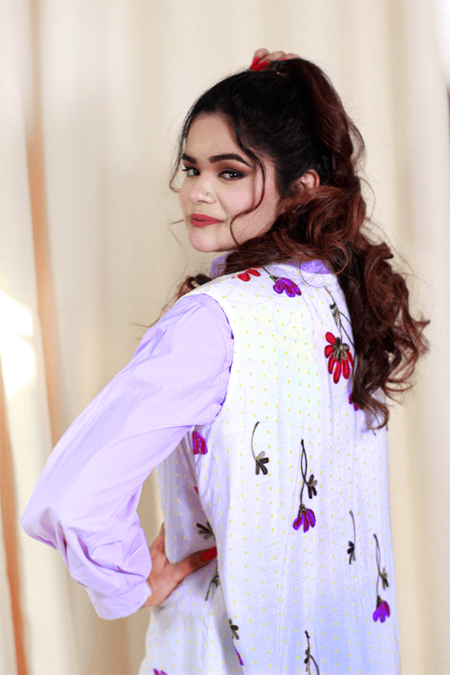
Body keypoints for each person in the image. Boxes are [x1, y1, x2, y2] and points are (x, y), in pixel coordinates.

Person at [21, 48, 428, 674]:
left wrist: (127, 581)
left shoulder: (212, 322)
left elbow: (75, 495)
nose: (197, 191)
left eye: (230, 172)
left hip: (224, 653)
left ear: (300, 189)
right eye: (191, 168)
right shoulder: (338, 301)